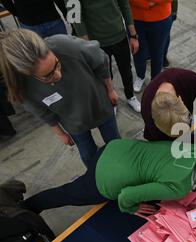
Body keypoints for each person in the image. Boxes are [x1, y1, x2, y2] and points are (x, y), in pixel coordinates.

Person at [0, 29, 121, 167]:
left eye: (57, 64)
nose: (58, 75)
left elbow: (100, 60)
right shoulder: (20, 83)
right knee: (88, 153)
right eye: (48, 75)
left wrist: (110, 90)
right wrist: (60, 133)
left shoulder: (64, 44)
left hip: (100, 105)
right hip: (73, 123)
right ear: (27, 73)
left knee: (115, 143)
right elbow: (42, 112)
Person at [24, 139, 196, 215]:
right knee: (68, 195)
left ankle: (84, 179)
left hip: (115, 149)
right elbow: (126, 196)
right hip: (107, 179)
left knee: (82, 181)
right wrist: (132, 208)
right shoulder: (178, 188)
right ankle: (26, 208)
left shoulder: (194, 150)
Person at [70, 0, 142, 113]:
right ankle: (111, 100)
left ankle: (130, 96)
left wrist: (133, 35)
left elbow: (125, 5)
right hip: (96, 42)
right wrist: (88, 46)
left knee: (126, 70)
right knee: (104, 76)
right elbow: (75, 19)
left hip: (119, 35)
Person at [141, 68, 196, 141]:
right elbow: (178, 141)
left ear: (180, 99)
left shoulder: (185, 78)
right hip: (159, 141)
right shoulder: (147, 111)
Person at [130, 0, 173, 92]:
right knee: (138, 52)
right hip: (136, 18)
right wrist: (146, 3)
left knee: (157, 53)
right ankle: (140, 76)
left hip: (161, 18)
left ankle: (155, 81)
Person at [0, 0, 67, 38]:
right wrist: (65, 12)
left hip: (28, 22)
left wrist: (18, 13)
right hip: (51, 17)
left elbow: (5, 1)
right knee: (66, 50)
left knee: (39, 56)